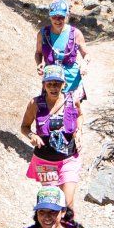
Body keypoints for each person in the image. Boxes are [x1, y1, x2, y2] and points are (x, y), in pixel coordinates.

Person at [22, 66, 84, 211]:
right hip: (45, 162)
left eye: (57, 83)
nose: (53, 87)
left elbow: (80, 115)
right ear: (44, 85)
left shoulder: (72, 100)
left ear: (64, 84)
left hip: (69, 158)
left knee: (68, 205)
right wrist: (32, 135)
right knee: (53, 205)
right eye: (49, 84)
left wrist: (79, 131)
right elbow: (24, 127)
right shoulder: (35, 104)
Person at [33, 0, 87, 100]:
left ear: (66, 16)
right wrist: (39, 63)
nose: (57, 20)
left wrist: (84, 64)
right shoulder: (42, 34)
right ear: (50, 16)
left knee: (72, 113)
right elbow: (38, 53)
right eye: (54, 17)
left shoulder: (76, 33)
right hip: (51, 83)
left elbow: (86, 54)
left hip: (72, 82)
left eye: (61, 17)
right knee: (51, 113)